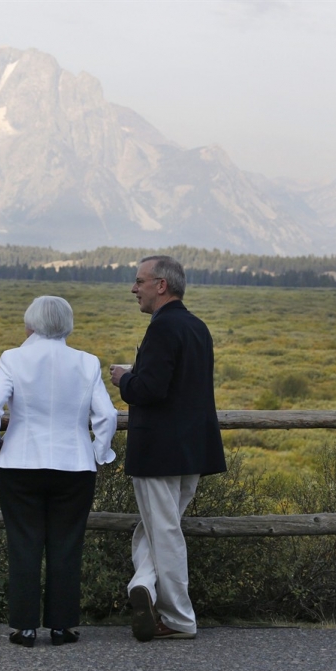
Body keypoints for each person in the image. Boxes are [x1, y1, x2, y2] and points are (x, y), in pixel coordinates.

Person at [0, 296, 118, 648]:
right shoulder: (87, 362)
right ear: (67, 325)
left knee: (23, 544)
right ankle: (62, 626)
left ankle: (24, 627)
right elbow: (108, 416)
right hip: (75, 465)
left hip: (20, 464)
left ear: (31, 325)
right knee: (67, 544)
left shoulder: (13, 358)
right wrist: (100, 451)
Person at [109, 255, 225, 641]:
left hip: (158, 450)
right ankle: (142, 585)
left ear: (161, 285)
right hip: (192, 449)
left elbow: (150, 390)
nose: (133, 288)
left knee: (164, 533)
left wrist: (125, 379)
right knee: (156, 528)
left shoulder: (162, 329)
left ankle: (178, 618)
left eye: (139, 281)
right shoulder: (197, 327)